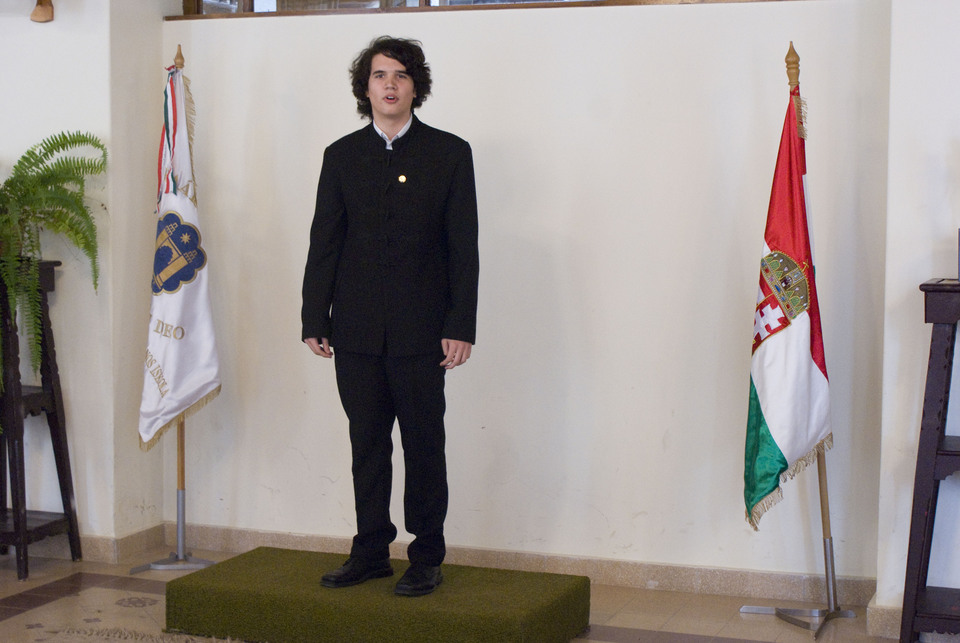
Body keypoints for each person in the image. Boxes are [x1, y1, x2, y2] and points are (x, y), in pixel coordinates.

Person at [301, 36, 479, 597]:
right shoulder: (341, 156)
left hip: (423, 334)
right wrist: (314, 316)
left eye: (401, 74)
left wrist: (460, 325)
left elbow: (463, 248)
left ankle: (426, 556)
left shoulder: (449, 153)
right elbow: (325, 242)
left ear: (415, 85)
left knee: (424, 445)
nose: (390, 84)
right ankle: (370, 551)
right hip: (355, 332)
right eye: (380, 75)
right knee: (367, 446)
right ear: (366, 87)